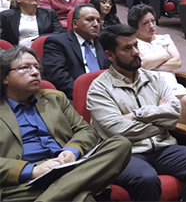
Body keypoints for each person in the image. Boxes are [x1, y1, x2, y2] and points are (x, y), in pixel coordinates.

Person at [87, 24, 186, 202]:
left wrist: (137, 114)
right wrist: (160, 120)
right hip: (125, 154)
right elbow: (117, 130)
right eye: (127, 48)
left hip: (162, 147)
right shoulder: (99, 88)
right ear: (110, 55)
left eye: (136, 45)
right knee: (146, 179)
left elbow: (175, 113)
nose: (136, 52)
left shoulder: (153, 77)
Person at [0, 46, 132, 202]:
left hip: (67, 168)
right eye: (24, 68)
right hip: (25, 185)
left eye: (37, 67)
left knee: (120, 144)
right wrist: (32, 170)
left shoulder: (55, 99)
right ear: (4, 77)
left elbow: (85, 130)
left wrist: (72, 150)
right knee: (83, 198)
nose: (35, 72)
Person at [126, 5, 186, 125]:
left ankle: (183, 136)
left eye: (153, 21)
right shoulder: (133, 43)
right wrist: (165, 55)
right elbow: (142, 64)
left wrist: (151, 64)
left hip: (169, 83)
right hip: (147, 85)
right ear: (135, 28)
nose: (152, 26)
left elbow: (177, 62)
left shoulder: (164, 38)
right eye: (145, 23)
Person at [41, 4, 110, 100]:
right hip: (75, 96)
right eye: (89, 20)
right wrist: (87, 95)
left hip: (108, 95)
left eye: (98, 21)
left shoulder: (104, 42)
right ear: (75, 24)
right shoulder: (57, 43)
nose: (95, 24)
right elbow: (59, 77)